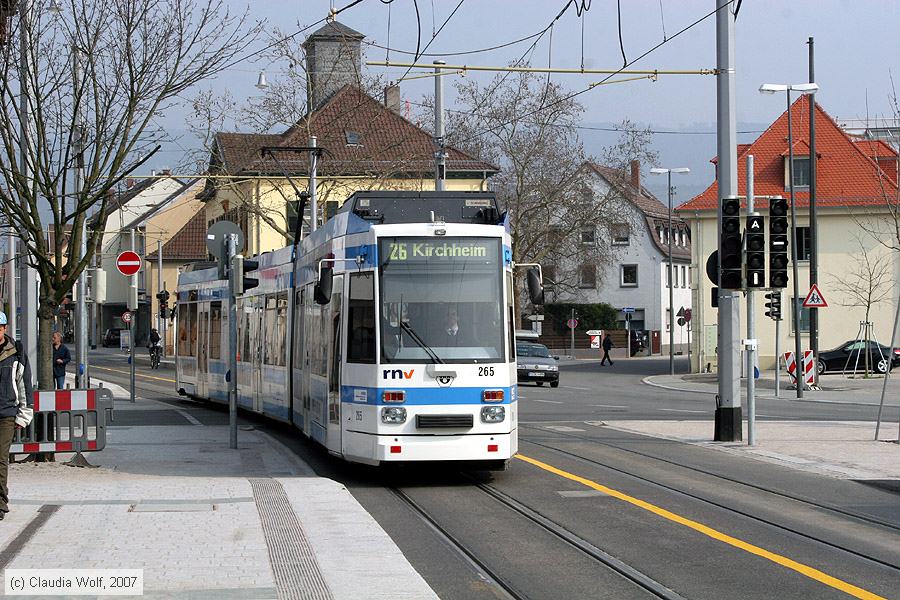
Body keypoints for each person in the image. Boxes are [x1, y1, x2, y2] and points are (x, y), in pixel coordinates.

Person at [0, 311, 34, 520]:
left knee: (0, 459)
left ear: (4, 328)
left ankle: (1, 503)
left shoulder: (17, 352)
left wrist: (24, 415)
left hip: (6, 413)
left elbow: (24, 384)